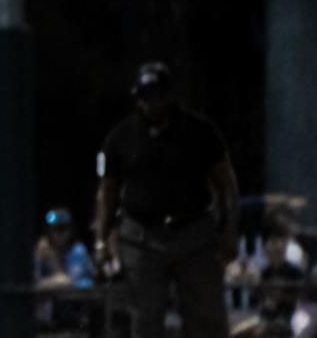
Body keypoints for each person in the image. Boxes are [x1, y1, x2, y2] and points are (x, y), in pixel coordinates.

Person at [93, 61, 240, 338]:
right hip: (141, 237)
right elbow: (107, 191)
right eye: (145, 97)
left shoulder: (201, 132)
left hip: (194, 233)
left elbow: (227, 185)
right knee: (145, 319)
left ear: (170, 95)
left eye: (157, 96)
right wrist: (101, 240)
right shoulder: (119, 138)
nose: (152, 104)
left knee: (206, 317)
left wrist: (230, 229)